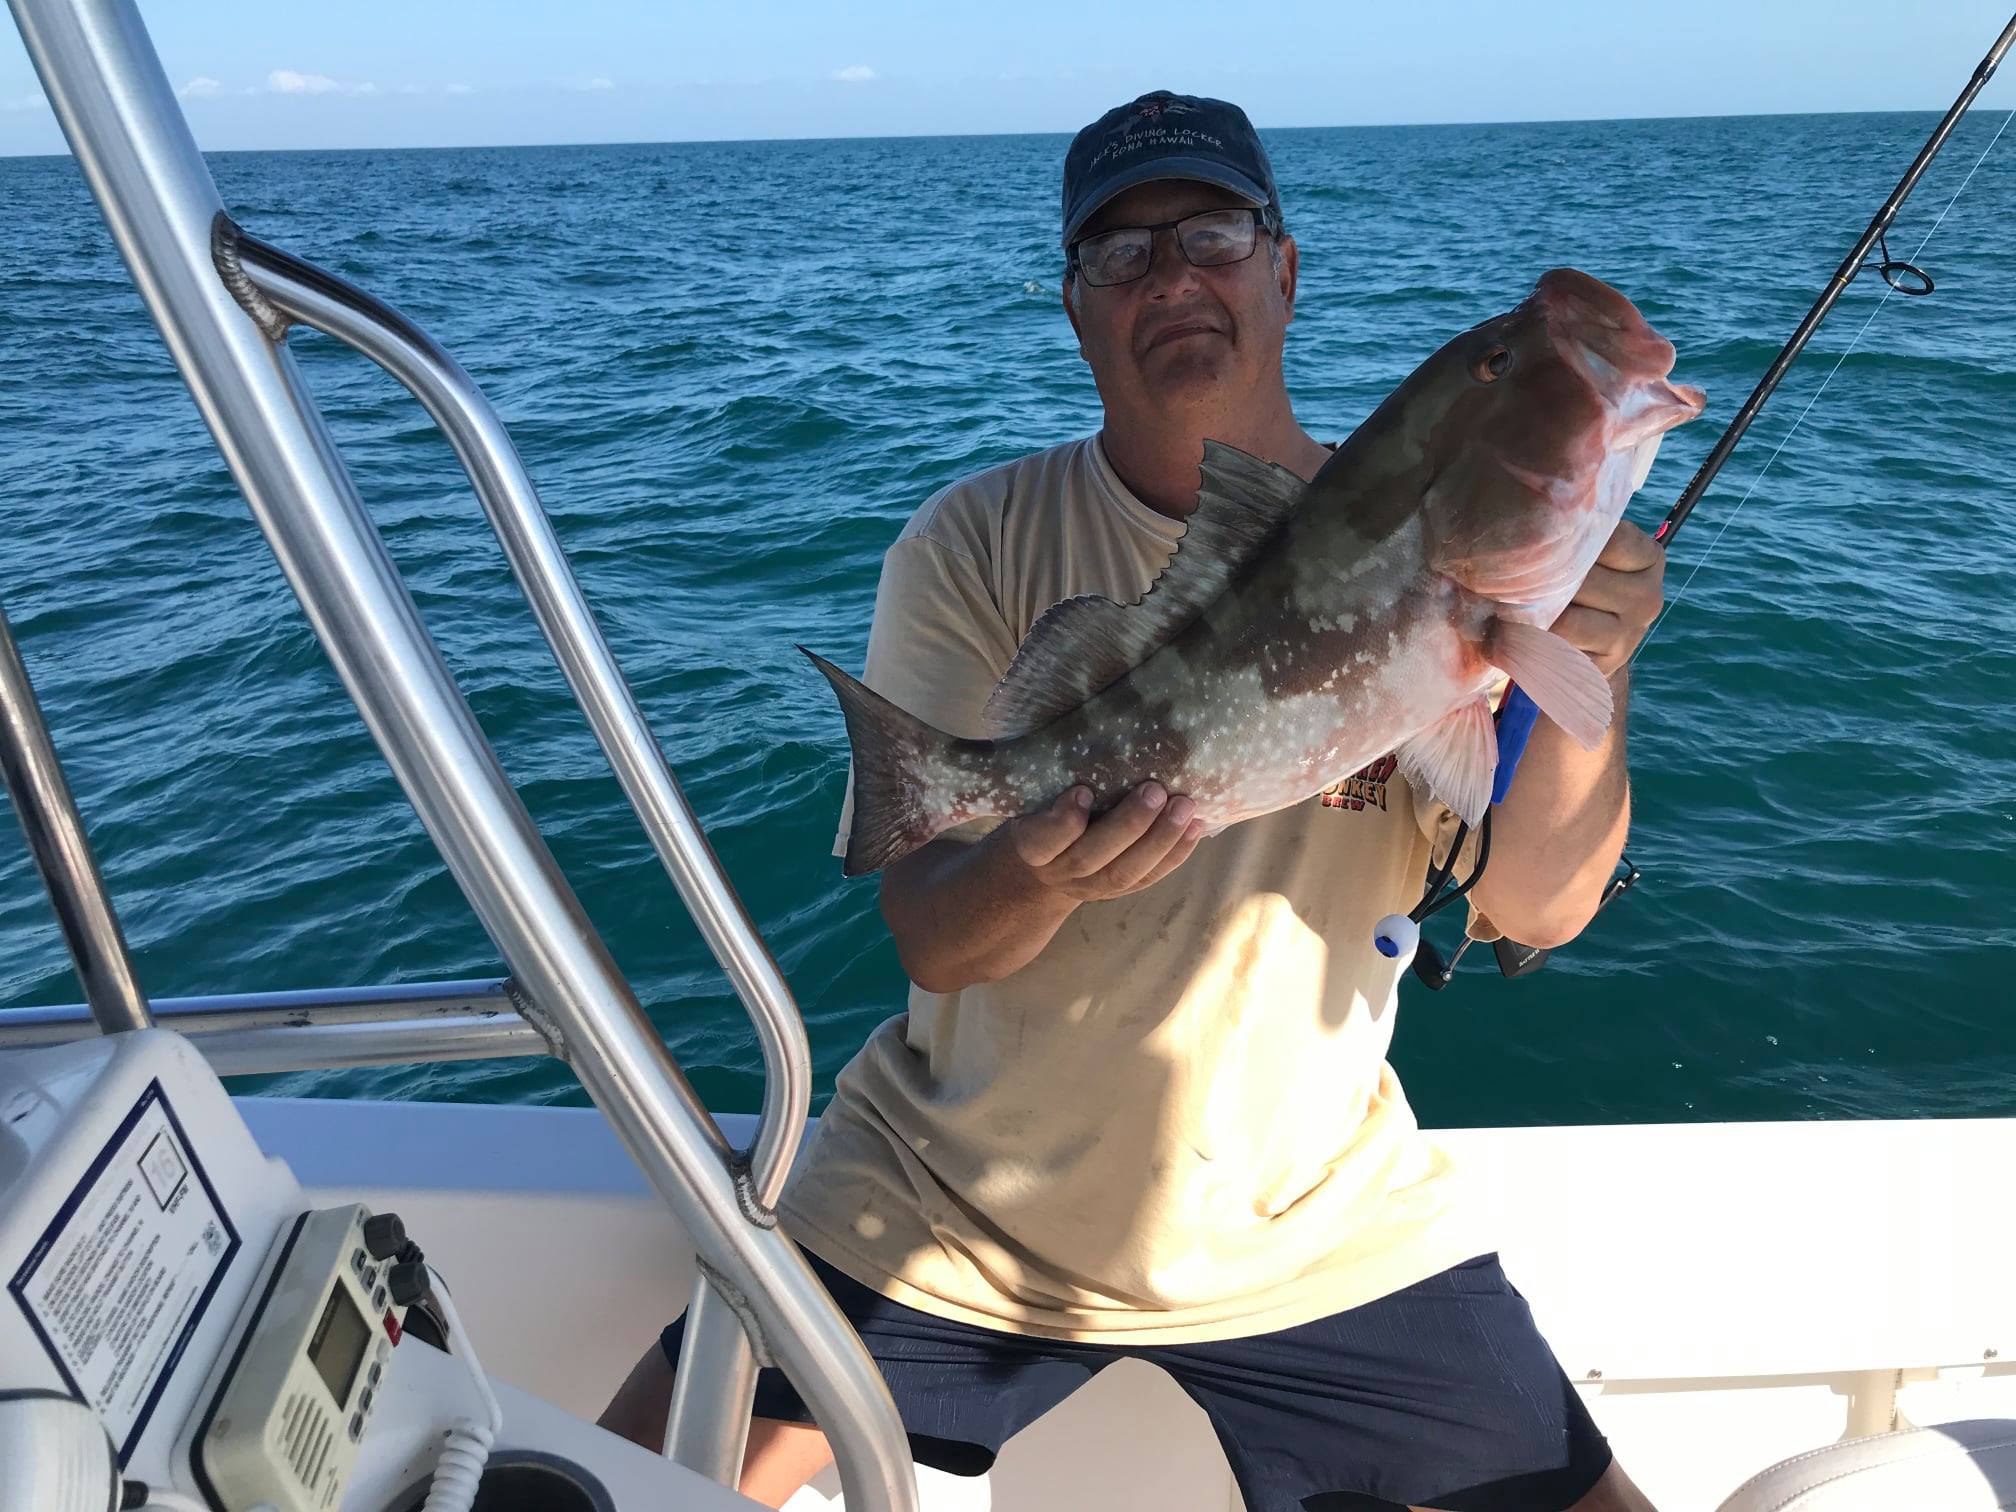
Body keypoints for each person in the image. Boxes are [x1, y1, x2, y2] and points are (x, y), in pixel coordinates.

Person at [601, 90, 1663, 1512]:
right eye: (1120, 253)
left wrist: (1598, 670)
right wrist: (1032, 876)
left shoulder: (1467, 583)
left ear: (1284, 270)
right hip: (953, 1196)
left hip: (1311, 1227)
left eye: (1211, 234)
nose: (1171, 277)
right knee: (607, 1483)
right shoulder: (974, 541)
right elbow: (933, 937)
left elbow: (1539, 907)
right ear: (1075, 307)